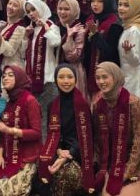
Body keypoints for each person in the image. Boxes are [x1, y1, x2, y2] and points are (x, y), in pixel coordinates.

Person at [92, 62, 140, 196]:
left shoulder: (133, 103)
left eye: (105, 77)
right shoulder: (97, 105)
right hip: (110, 163)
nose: (101, 81)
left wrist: (125, 172)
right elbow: (97, 141)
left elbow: (139, 141)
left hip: (137, 164)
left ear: (116, 77)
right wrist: (98, 168)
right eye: (98, 78)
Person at [36, 64, 96, 196]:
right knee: (42, 169)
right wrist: (58, 150)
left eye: (70, 77)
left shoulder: (83, 105)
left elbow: (87, 137)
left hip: (80, 151)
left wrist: (67, 155)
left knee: (66, 175)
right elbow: (51, 134)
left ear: (75, 79)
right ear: (56, 80)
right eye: (61, 77)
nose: (66, 81)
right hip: (57, 149)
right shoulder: (52, 105)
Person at [0, 64, 41, 196]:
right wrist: (0, 156)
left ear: (19, 78)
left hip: (26, 157)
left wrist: (11, 130)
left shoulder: (30, 100)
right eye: (4, 76)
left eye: (10, 75)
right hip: (7, 156)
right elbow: (3, 135)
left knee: (10, 191)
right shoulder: (8, 104)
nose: (5, 78)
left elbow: (37, 133)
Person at [23, 0, 61, 140]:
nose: (31, 14)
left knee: (47, 117)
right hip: (32, 80)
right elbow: (23, 53)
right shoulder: (31, 29)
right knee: (35, 118)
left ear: (41, 8)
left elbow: (55, 42)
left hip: (48, 79)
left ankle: (47, 148)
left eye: (33, 10)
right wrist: (26, 36)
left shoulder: (51, 26)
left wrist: (45, 26)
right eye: (28, 12)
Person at [84, 0, 122, 101]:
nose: (95, 4)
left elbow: (111, 53)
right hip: (90, 71)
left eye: (100, 1)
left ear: (107, 2)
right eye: (93, 1)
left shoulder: (115, 24)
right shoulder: (91, 19)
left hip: (108, 74)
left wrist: (95, 35)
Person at [117, 0, 140, 102]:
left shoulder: (135, 30)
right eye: (120, 4)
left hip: (133, 82)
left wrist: (128, 51)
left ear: (135, 8)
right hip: (126, 78)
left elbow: (135, 62)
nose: (121, 8)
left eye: (126, 5)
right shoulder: (128, 28)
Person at [55, 0, 87, 97]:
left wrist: (69, 38)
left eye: (66, 9)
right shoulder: (55, 27)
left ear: (74, 10)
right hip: (56, 70)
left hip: (73, 72)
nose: (62, 12)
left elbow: (73, 57)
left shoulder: (79, 30)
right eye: (60, 8)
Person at [0, 0, 28, 68]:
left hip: (13, 68)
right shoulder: (6, 25)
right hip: (2, 65)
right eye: (9, 3)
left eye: (15, 5)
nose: (10, 7)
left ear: (21, 10)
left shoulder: (20, 28)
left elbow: (10, 51)